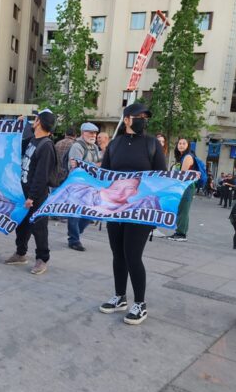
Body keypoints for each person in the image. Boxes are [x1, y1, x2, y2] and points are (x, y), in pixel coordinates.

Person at [99, 103, 166, 325]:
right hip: (116, 209)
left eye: (145, 118)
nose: (143, 121)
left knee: (132, 255)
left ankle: (140, 303)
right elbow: (105, 176)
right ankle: (120, 297)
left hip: (141, 211)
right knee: (117, 253)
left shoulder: (151, 144)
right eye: (139, 117)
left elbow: (161, 178)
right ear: (127, 119)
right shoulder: (114, 144)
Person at [5, 109, 57, 275]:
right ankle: (20, 253)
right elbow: (15, 146)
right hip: (24, 191)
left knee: (39, 227)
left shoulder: (46, 146)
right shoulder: (33, 140)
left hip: (37, 195)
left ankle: (42, 259)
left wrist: (32, 197)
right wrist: (18, 126)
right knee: (22, 225)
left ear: (39, 122)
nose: (32, 121)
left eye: (35, 119)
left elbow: (41, 176)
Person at [66, 122, 102, 251]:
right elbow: (76, 165)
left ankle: (76, 233)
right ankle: (74, 240)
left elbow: (99, 163)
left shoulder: (95, 147)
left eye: (95, 133)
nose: (93, 135)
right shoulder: (77, 146)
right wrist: (96, 164)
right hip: (77, 185)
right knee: (74, 213)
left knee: (91, 213)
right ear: (83, 133)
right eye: (90, 132)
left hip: (91, 185)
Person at [57, 177, 161, 214]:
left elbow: (153, 205)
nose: (121, 191)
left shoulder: (140, 205)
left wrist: (114, 211)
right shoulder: (81, 191)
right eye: (116, 187)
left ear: (135, 192)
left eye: (129, 188)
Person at [168, 139, 196, 242]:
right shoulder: (181, 157)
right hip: (183, 186)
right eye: (179, 143)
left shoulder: (188, 157)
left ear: (188, 146)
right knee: (181, 209)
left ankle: (181, 234)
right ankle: (179, 232)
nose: (181, 145)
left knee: (183, 210)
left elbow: (182, 175)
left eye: (184, 143)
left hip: (186, 186)